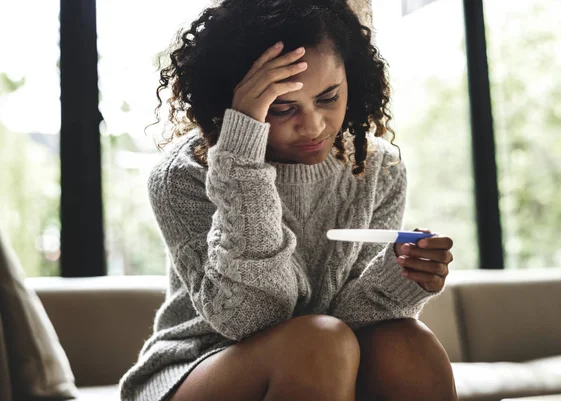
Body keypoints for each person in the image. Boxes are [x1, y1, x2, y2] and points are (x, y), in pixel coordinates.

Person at [119, 0, 457, 400]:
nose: (314, 125)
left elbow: (348, 325)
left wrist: (400, 278)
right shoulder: (185, 174)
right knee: (318, 342)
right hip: (200, 363)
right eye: (282, 107)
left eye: (329, 97)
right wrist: (241, 155)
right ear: (232, 101)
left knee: (405, 343)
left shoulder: (377, 167)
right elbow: (248, 316)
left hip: (325, 353)